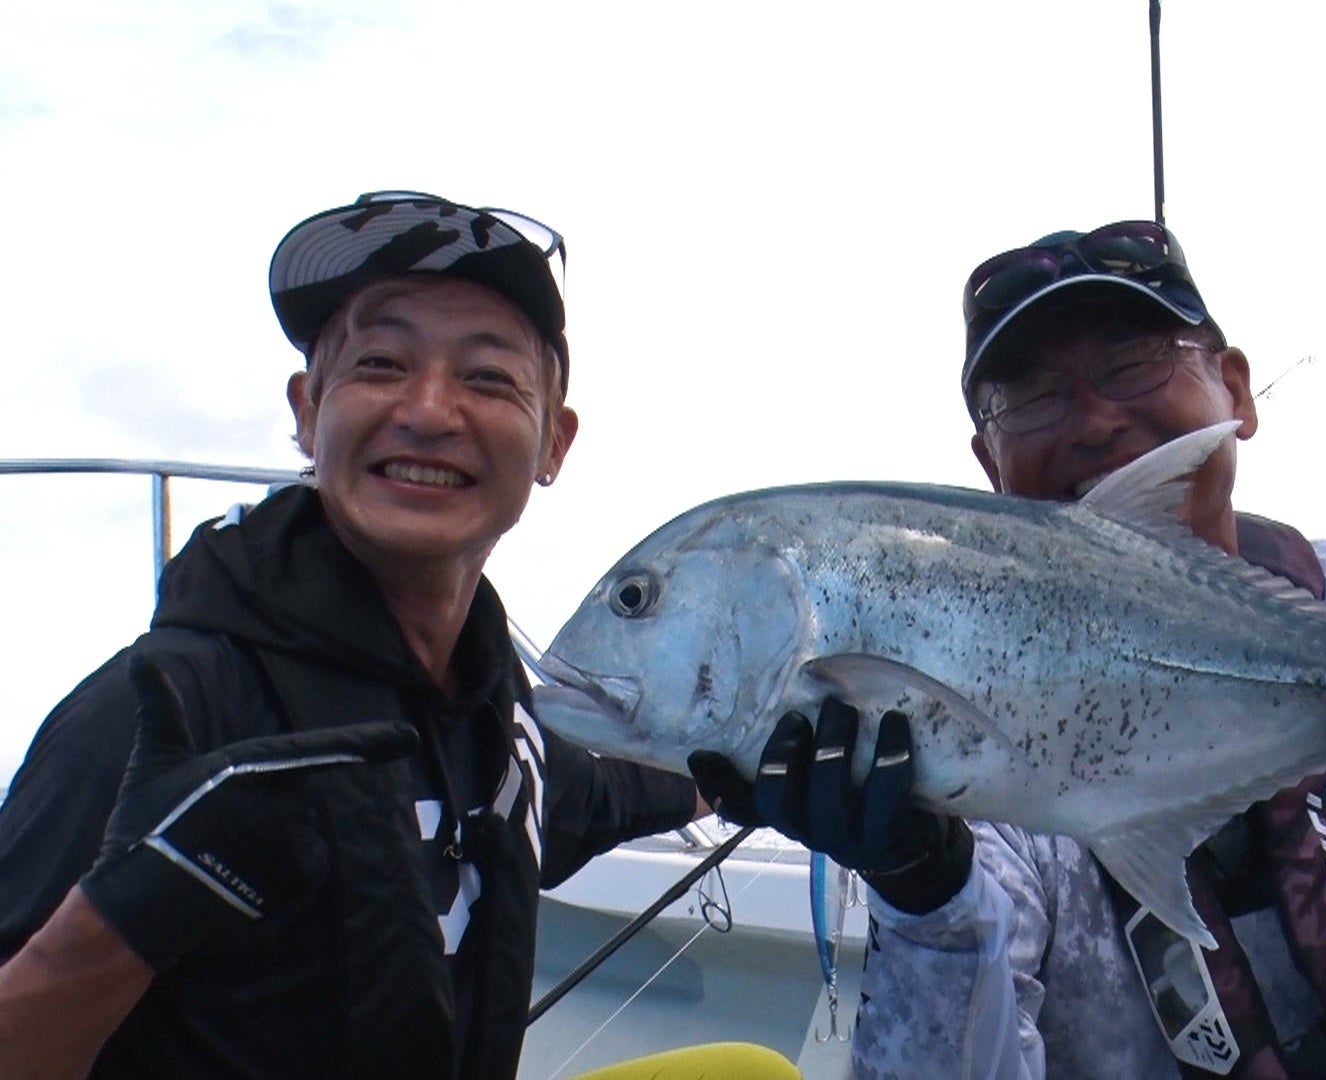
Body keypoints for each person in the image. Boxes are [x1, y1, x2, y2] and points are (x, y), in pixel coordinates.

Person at [690, 221, 1326, 1078]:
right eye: (1032, 395)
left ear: (1235, 390)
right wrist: (924, 894)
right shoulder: (967, 756)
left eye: (1133, 362)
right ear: (988, 460)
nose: (1095, 423)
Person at [0, 192, 788, 1079]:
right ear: (307, 410)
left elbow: (597, 796)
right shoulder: (157, 715)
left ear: (554, 445)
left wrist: (744, 770)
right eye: (380, 364)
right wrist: (121, 922)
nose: (429, 410)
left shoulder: (500, 727)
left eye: (487, 378)